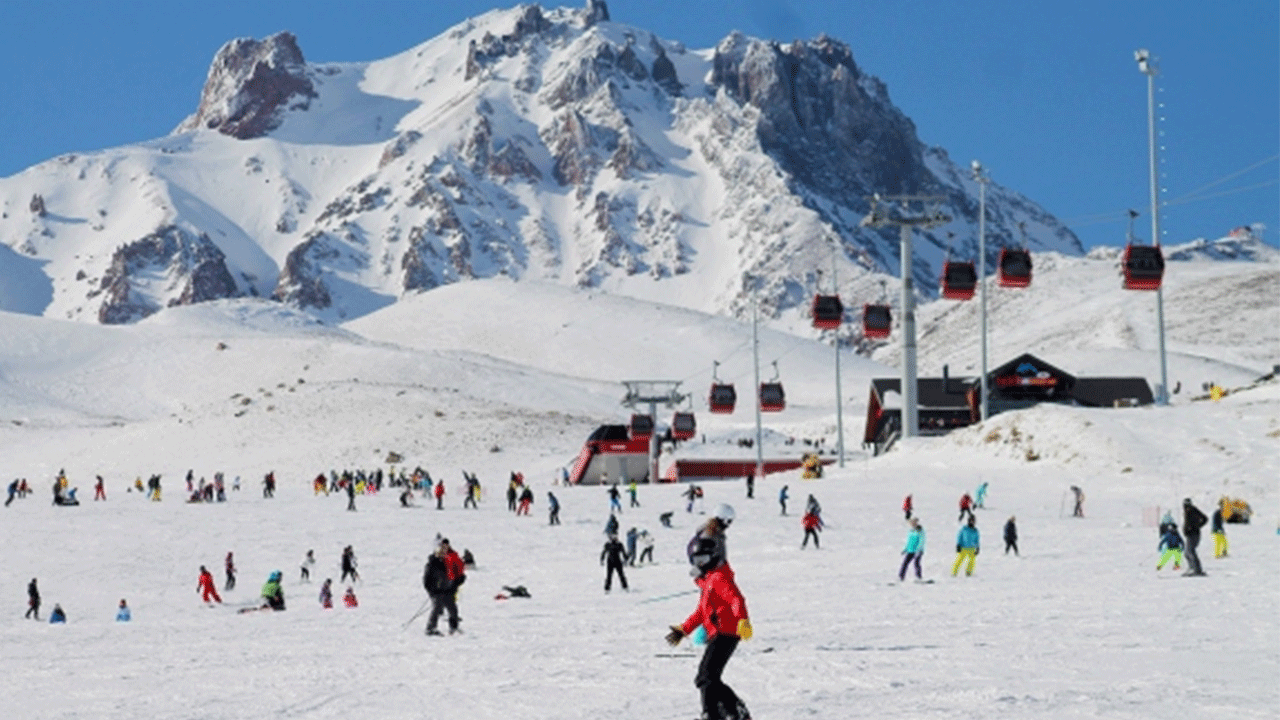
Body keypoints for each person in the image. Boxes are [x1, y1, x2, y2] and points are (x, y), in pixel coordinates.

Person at [664, 503, 751, 720]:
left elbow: (737, 599)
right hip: (719, 631)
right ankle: (721, 712)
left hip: (727, 632)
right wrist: (683, 630)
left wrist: (743, 621)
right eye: (696, 561)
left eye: (702, 560)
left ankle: (721, 712)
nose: (699, 564)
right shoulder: (710, 580)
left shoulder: (718, 577)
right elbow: (702, 613)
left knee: (706, 677)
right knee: (707, 678)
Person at [423, 537, 466, 635]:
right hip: (436, 591)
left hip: (447, 590)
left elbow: (454, 575)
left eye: (445, 548)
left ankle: (453, 628)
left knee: (453, 609)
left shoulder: (448, 561)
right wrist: (432, 591)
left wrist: (459, 580)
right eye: (442, 548)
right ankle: (430, 628)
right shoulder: (432, 563)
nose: (444, 551)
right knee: (437, 607)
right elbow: (426, 580)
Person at [1182, 498, 1208, 576]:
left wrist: (1197, 526)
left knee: (1190, 551)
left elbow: (1205, 518)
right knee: (1187, 552)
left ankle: (1197, 569)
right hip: (1190, 534)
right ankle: (1191, 568)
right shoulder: (1187, 511)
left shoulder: (1193, 510)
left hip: (1194, 534)